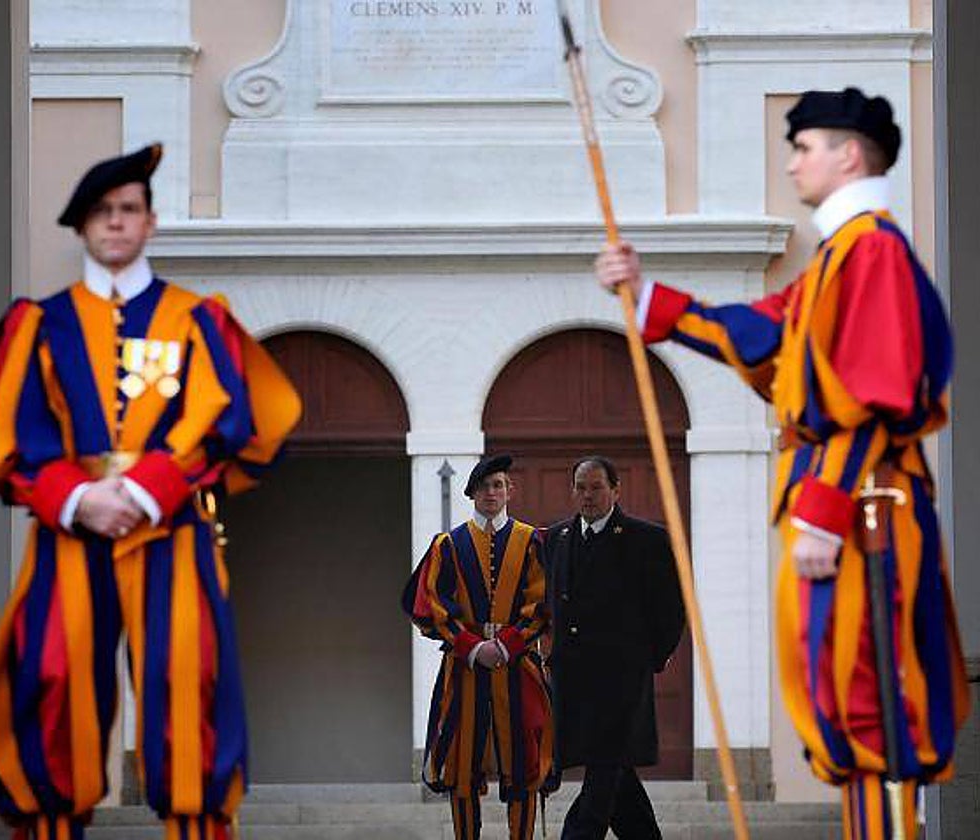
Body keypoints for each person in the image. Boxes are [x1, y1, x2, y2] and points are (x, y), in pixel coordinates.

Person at [595, 88, 970, 838]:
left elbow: (874, 400)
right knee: (842, 700)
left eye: (805, 147)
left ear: (850, 155)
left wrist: (824, 516)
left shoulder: (873, 253)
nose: (793, 161)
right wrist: (646, 300)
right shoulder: (841, 257)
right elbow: (761, 331)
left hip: (864, 510)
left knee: (874, 709)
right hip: (845, 508)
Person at [0, 144, 301, 840]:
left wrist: (145, 489)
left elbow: (229, 415)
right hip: (69, 533)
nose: (115, 222)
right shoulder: (39, 324)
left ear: (150, 222)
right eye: (102, 212)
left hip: (173, 530)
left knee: (187, 678)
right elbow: (5, 427)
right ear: (81, 227)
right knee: (51, 676)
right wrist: (77, 499)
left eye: (128, 209)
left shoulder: (198, 319)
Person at [402, 455, 554, 840]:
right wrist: (471, 646)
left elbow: (543, 602)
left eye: (499, 485)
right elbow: (430, 603)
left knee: (523, 760)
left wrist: (505, 645)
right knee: (461, 763)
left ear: (510, 491)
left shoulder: (533, 541)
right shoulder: (449, 545)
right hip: (465, 667)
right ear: (472, 492)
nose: (492, 492)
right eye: (485, 486)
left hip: (518, 665)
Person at [543, 457, 685, 840]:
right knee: (615, 776)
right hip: (573, 682)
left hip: (620, 684)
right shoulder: (555, 539)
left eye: (596, 487)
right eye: (581, 487)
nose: (587, 496)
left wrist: (647, 660)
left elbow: (671, 609)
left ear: (615, 490)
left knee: (602, 773)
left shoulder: (647, 539)